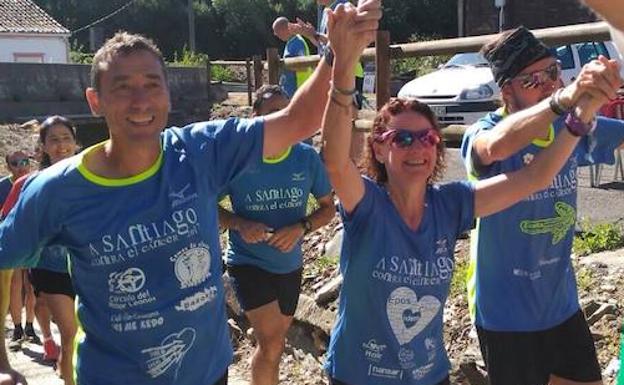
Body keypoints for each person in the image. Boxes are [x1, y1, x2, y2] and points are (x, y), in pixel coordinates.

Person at [0, 1, 381, 383]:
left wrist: (338, 53)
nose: (140, 100)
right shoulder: (57, 189)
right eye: (122, 87)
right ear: (94, 101)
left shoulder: (200, 151)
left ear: (168, 94)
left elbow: (298, 121)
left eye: (152, 85)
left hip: (208, 372)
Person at [320, 5, 619, 385]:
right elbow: (334, 160)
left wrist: (581, 116)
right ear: (379, 149)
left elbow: (534, 177)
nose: (418, 147)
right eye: (402, 138)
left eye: (428, 138)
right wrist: (343, 64)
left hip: (431, 375)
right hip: (364, 374)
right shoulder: (368, 205)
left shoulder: (451, 204)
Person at [460, 26, 624, 385]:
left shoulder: (573, 128)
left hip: (560, 306)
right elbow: (493, 149)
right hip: (505, 314)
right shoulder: (487, 129)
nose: (549, 83)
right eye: (533, 80)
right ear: (506, 91)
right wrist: (564, 100)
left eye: (553, 72)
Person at [218, 84, 335, 385]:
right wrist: (240, 223)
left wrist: (302, 227)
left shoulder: (306, 158)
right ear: (255, 118)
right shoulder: (238, 160)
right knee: (271, 342)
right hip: (247, 262)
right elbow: (208, 205)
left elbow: (327, 208)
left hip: (289, 265)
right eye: (272, 113)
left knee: (274, 344)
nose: (281, 119)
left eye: (285, 111)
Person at [1, 116, 79, 384]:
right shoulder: (29, 183)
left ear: (76, 143)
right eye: (54, 140)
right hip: (49, 267)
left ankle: (68, 367)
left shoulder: (92, 179)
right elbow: (7, 222)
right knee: (70, 332)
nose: (62, 145)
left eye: (66, 138)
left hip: (87, 268)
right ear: (43, 146)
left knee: (84, 335)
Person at [0, 152, 39, 352]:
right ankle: (17, 328)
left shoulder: (37, 181)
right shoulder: (2, 186)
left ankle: (30, 327)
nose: (21, 166)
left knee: (31, 285)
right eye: (15, 163)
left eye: (25, 161)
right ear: (9, 166)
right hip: (12, 240)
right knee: (15, 284)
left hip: (34, 239)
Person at [273, 17, 314, 98]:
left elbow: (303, 67)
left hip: (298, 89)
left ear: (284, 29)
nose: (275, 34)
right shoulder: (290, 42)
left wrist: (282, 65)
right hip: (292, 91)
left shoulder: (297, 43)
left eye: (277, 31)